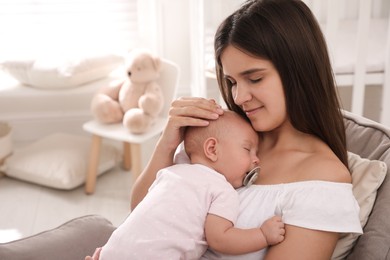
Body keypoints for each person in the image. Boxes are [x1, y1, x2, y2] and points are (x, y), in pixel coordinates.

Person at [129, 0, 363, 259]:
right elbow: (141, 214)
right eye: (231, 82)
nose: (239, 97)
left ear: (298, 69)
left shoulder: (322, 178)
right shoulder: (224, 137)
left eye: (255, 79)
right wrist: (167, 143)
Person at [94, 111, 285, 259]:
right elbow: (220, 238)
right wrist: (262, 235)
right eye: (247, 149)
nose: (257, 160)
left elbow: (140, 209)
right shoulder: (222, 190)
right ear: (212, 149)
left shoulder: (171, 171)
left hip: (111, 250)